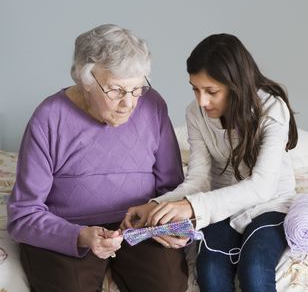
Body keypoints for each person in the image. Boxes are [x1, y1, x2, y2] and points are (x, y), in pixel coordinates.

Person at [7, 24, 188, 291]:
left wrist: (171, 223)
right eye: (116, 90)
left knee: (167, 285)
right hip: (70, 227)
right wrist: (79, 236)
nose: (129, 103)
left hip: (141, 225)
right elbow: (23, 215)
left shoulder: (153, 105)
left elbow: (173, 188)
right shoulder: (49, 117)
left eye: (137, 89)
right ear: (86, 81)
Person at [123, 33, 298, 292]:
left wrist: (191, 206)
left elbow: (262, 186)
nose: (202, 101)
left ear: (235, 85)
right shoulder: (195, 114)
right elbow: (199, 178)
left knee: (254, 268)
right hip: (222, 205)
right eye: (195, 88)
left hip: (270, 204)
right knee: (210, 270)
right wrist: (156, 206)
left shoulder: (272, 110)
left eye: (211, 91)